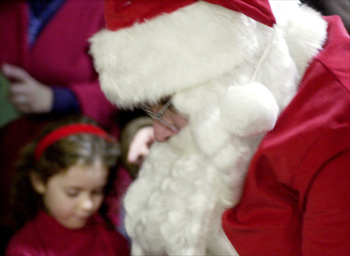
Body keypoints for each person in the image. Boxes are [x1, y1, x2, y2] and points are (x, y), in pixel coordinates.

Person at [90, 0, 349, 255]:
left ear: (226, 77)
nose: (159, 133)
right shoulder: (264, 82)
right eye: (151, 111)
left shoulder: (336, 133)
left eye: (170, 106)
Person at [0, 0, 121, 247]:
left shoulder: (102, 8)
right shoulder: (9, 9)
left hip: (81, 156)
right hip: (14, 157)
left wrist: (59, 99)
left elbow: (127, 89)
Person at [4, 115, 130, 256]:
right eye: (73, 193)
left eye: (96, 192)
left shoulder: (113, 240)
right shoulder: (25, 250)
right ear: (39, 181)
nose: (87, 205)